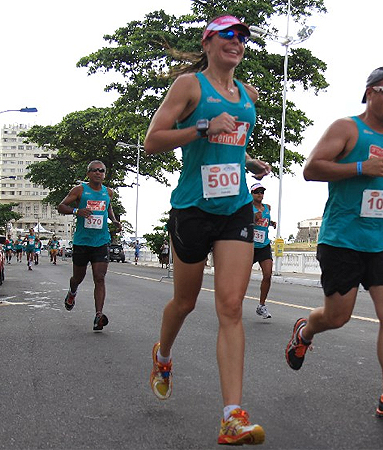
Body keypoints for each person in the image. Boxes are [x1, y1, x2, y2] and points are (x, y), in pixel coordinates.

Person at [143, 14, 270, 446]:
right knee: (185, 301)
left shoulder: (248, 95)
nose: (237, 42)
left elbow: (231, 141)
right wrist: (201, 126)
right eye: (229, 36)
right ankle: (162, 356)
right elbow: (153, 139)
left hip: (234, 208)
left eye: (243, 37)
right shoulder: (190, 86)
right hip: (193, 208)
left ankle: (232, 416)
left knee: (231, 306)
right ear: (209, 42)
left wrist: (248, 161)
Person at [285, 66, 383, 423]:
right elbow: (312, 168)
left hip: (381, 239)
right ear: (370, 92)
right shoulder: (346, 128)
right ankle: (305, 330)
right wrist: (360, 167)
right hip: (342, 238)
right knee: (337, 316)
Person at [57, 160, 121, 332]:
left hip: (101, 241)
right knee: (78, 277)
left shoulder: (108, 192)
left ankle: (98, 315)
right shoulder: (79, 190)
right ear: (88, 173)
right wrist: (77, 211)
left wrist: (113, 220)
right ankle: (72, 292)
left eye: (101, 170)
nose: (98, 173)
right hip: (82, 242)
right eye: (94, 170)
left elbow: (108, 208)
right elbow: (61, 206)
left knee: (99, 278)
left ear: (104, 174)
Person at [250, 182, 276, 319]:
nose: (260, 194)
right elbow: (243, 223)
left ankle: (261, 305)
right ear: (251, 194)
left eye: (262, 192)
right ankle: (233, 302)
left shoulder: (267, 208)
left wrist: (272, 223)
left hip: (264, 245)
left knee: (268, 274)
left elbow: (265, 221)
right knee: (241, 278)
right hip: (249, 246)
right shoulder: (247, 208)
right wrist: (254, 219)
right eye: (257, 192)